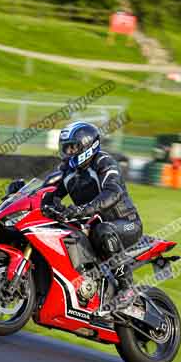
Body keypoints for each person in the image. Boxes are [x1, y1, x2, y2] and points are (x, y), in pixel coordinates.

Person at [42, 121, 143, 311]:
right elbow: (47, 191)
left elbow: (113, 192)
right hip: (92, 224)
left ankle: (127, 288)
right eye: (66, 148)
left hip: (126, 223)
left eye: (73, 147)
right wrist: (21, 193)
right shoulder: (69, 171)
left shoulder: (104, 163)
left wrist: (83, 210)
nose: (68, 152)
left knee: (103, 230)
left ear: (87, 146)